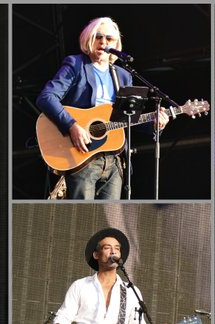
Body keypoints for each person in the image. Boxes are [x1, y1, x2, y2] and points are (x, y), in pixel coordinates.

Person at [35, 17, 167, 201]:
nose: (103, 42)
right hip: (82, 157)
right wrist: (72, 126)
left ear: (116, 44)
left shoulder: (123, 75)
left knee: (107, 215)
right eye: (98, 36)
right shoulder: (76, 64)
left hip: (114, 159)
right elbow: (46, 97)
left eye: (109, 39)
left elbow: (127, 119)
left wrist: (154, 123)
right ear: (88, 38)